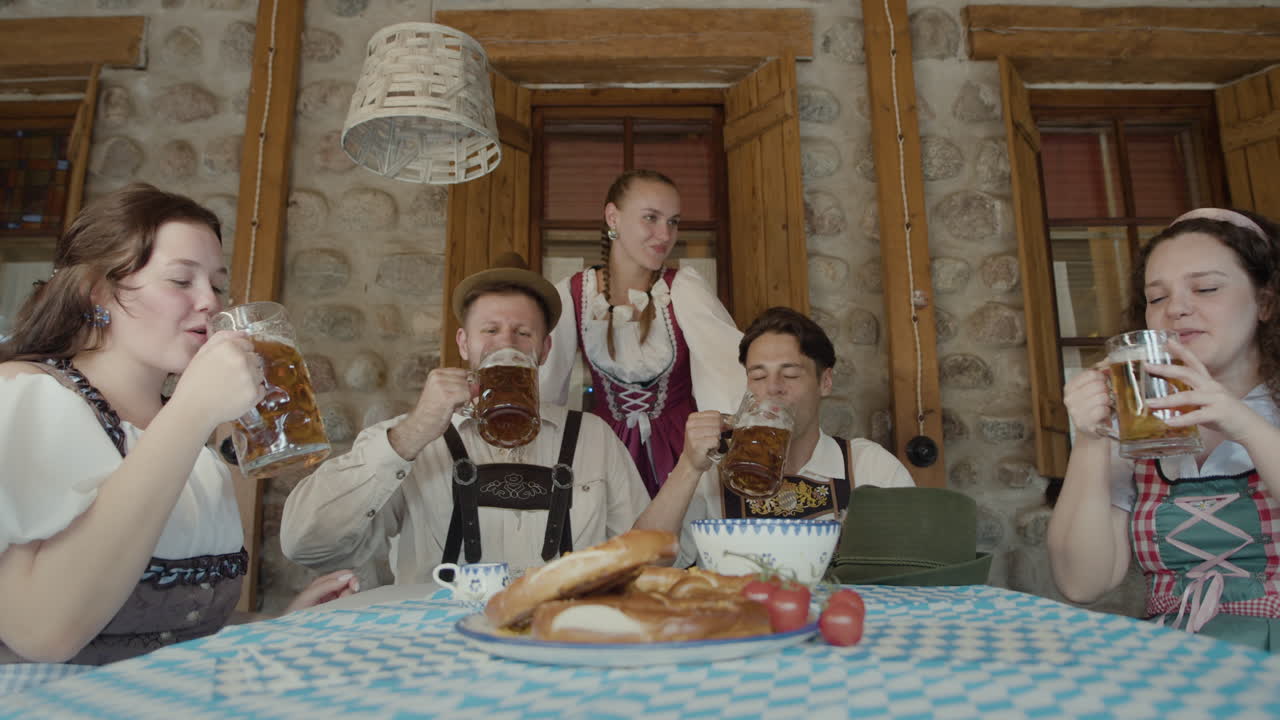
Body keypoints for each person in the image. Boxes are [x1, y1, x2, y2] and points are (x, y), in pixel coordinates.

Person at [0, 184, 357, 666]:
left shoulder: (191, 442)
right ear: (97, 293)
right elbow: (43, 633)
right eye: (181, 281)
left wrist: (278, 629)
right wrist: (190, 413)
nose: (210, 302)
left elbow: (167, 636)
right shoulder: (28, 396)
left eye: (216, 283)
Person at [279, 253, 651, 582]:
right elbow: (305, 544)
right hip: (440, 649)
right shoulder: (411, 437)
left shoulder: (592, 437)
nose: (506, 345)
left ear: (544, 349)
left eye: (523, 333)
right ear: (464, 343)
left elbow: (646, 556)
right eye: (490, 330)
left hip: (557, 637)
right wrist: (410, 435)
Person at [1047, 208, 1280, 651]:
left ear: (1265, 301)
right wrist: (1094, 438)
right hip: (1175, 658)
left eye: (1206, 288)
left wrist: (1241, 424)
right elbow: (1081, 583)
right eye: (1156, 297)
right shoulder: (1143, 427)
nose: (1176, 308)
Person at [635, 306, 915, 567]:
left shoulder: (870, 467)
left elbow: (912, 567)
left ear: (825, 382)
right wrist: (688, 466)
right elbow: (640, 564)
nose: (773, 389)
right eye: (758, 377)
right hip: (740, 619)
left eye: (790, 375)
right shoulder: (711, 473)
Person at [540, 169, 745, 499]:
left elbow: (729, 375)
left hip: (682, 455)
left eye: (674, 222)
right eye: (651, 218)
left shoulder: (684, 289)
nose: (664, 234)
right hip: (602, 454)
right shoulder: (572, 294)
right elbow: (546, 392)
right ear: (613, 218)